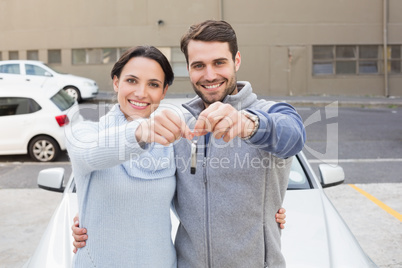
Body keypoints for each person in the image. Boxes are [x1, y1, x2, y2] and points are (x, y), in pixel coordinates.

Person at [73, 20, 303, 267]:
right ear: (189, 69)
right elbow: (133, 182)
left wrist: (249, 124)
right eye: (199, 65)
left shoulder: (267, 112)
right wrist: (93, 213)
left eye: (219, 63)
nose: (210, 75)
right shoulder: (179, 128)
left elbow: (294, 135)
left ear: (236, 61)